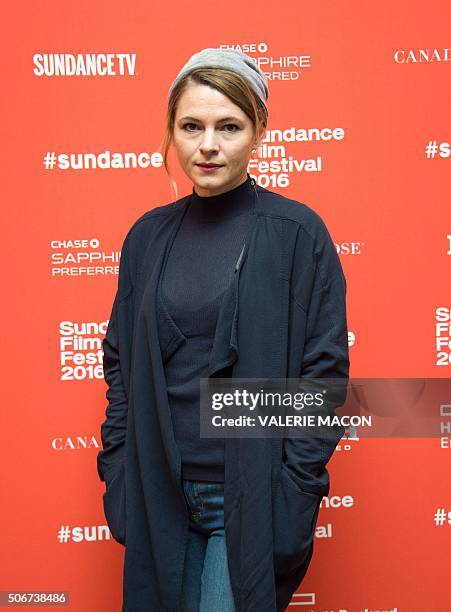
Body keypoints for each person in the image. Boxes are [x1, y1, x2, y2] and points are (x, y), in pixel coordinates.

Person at [97, 47, 350, 612]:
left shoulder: (296, 233)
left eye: (228, 126)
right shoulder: (146, 238)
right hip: (158, 490)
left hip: (251, 499)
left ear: (258, 129)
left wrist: (293, 489)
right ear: (173, 131)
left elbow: (323, 374)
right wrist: (117, 470)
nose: (208, 144)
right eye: (192, 125)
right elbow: (120, 363)